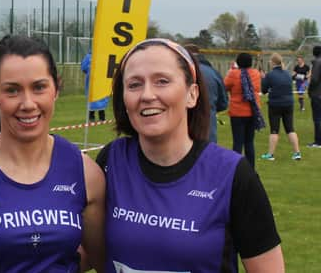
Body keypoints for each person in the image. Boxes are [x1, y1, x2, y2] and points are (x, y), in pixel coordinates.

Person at [96, 38, 283, 272]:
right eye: (134, 84)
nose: (147, 95)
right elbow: (80, 249)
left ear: (192, 94)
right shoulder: (111, 161)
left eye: (162, 81)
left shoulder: (232, 174)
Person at [0, 35, 105, 273]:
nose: (28, 103)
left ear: (56, 88)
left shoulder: (85, 172)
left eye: (39, 87)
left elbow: (104, 261)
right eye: (12, 90)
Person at [224, 52, 265, 168]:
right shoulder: (256, 74)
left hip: (237, 112)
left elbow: (225, 86)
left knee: (238, 142)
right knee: (249, 142)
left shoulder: (233, 74)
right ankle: (250, 167)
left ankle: (235, 168)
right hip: (252, 111)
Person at [260, 53, 302, 160]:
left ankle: (270, 154)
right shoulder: (287, 73)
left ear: (273, 62)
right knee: (290, 129)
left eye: (270, 61)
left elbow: (263, 91)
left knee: (274, 130)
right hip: (288, 104)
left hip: (275, 105)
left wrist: (263, 79)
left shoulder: (270, 75)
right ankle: (297, 153)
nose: (269, 62)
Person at [185, 44, 228, 143]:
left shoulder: (179, 71)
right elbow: (223, 103)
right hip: (208, 125)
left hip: (185, 124)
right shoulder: (213, 72)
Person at [81, 48, 109, 122]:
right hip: (99, 79)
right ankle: (101, 117)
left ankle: (92, 117)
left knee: (93, 96)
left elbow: (83, 68)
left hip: (93, 79)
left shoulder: (88, 56)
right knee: (100, 96)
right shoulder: (103, 56)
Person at [308, 45, 321, 148]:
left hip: (317, 94)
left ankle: (318, 142)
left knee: (317, 119)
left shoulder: (317, 62)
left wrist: (309, 90)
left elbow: (315, 79)